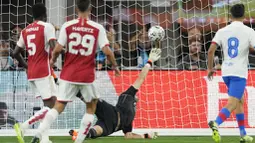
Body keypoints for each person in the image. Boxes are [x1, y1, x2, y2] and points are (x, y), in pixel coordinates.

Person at [30, 0, 120, 143]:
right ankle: (79, 140)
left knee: (59, 105)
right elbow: (108, 52)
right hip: (86, 75)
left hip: (68, 74)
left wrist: (52, 61)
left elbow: (58, 49)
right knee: (91, 106)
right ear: (90, 9)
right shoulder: (97, 28)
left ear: (76, 9)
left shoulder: (67, 26)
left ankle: (39, 133)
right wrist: (115, 66)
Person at [70, 46, 161, 140]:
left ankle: (81, 134)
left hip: (111, 126)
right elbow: (141, 78)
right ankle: (71, 88)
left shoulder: (130, 118)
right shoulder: (128, 96)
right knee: (93, 101)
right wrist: (149, 61)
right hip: (111, 114)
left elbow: (128, 136)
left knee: (97, 131)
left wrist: (144, 136)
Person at [207, 4, 254, 143]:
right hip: (239, 72)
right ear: (244, 15)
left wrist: (210, 68)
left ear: (230, 16)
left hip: (226, 71)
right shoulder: (249, 31)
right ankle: (216, 122)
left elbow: (210, 51)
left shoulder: (222, 31)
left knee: (240, 100)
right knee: (233, 102)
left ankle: (243, 134)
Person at [12, 3, 57, 143]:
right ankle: (24, 126)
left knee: (49, 104)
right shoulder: (47, 26)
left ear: (33, 15)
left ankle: (45, 138)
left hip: (32, 72)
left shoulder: (25, 30)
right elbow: (54, 47)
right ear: (45, 14)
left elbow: (15, 53)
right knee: (54, 105)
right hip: (43, 71)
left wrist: (26, 65)